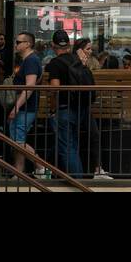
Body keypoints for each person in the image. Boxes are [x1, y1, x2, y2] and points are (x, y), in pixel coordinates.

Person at [70, 37, 112, 180]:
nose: (90, 51)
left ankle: (98, 169)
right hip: (74, 106)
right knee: (70, 139)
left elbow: (90, 84)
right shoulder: (74, 64)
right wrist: (81, 65)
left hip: (84, 106)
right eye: (88, 49)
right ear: (79, 50)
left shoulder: (84, 65)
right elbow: (79, 83)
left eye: (90, 49)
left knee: (94, 136)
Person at [7, 32, 44, 176]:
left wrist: (16, 107)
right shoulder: (29, 60)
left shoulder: (31, 61)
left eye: (18, 42)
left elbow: (30, 86)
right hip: (24, 106)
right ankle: (18, 172)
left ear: (28, 44)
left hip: (26, 107)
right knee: (18, 140)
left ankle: (41, 166)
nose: (16, 45)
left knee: (17, 141)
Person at [46, 30, 82, 177]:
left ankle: (77, 181)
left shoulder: (55, 63)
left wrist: (52, 108)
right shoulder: (76, 60)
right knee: (70, 145)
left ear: (53, 45)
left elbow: (54, 88)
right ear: (68, 44)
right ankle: (50, 170)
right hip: (78, 109)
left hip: (63, 109)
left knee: (67, 148)